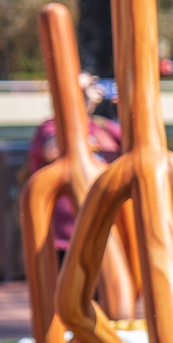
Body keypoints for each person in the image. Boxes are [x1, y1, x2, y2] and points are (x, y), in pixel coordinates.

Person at [27, 72, 122, 258]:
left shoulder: (105, 128)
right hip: (64, 239)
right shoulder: (51, 126)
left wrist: (124, 103)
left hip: (107, 233)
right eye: (78, 93)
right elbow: (52, 149)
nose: (83, 97)